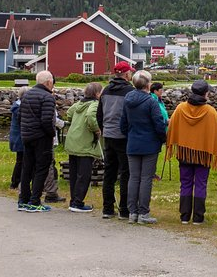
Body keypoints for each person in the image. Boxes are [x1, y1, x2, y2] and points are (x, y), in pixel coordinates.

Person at [166, 80, 217, 224]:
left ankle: (184, 216)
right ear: (205, 93)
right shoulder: (210, 112)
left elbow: (172, 128)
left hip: (184, 153)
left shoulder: (180, 108)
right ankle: (198, 217)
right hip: (203, 154)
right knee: (201, 184)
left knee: (185, 183)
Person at [120, 70, 166, 224]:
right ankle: (143, 213)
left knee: (133, 177)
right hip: (149, 143)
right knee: (146, 178)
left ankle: (132, 212)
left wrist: (130, 135)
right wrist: (162, 139)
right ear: (148, 84)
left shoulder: (128, 99)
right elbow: (158, 123)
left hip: (133, 142)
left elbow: (123, 124)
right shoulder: (151, 101)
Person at [97, 61, 135, 219]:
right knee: (125, 173)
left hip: (108, 135)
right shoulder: (130, 91)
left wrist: (104, 129)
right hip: (123, 136)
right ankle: (124, 210)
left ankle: (107, 208)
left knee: (109, 172)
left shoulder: (105, 90)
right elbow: (131, 116)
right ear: (126, 74)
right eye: (130, 73)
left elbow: (99, 114)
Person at [17, 71, 57, 212]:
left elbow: (19, 116)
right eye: (52, 81)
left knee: (27, 168)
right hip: (41, 138)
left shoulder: (27, 94)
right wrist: (52, 134)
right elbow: (46, 120)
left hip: (27, 136)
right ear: (48, 82)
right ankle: (35, 201)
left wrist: (25, 130)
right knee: (41, 169)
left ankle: (23, 200)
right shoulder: (47, 97)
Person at [64, 82, 103, 212]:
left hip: (72, 140)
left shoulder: (79, 103)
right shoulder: (95, 104)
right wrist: (97, 130)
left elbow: (69, 113)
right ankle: (78, 202)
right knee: (84, 174)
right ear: (97, 94)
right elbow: (91, 116)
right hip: (85, 142)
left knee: (74, 173)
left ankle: (73, 200)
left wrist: (75, 122)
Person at [9, 86, 28, 190]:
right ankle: (15, 182)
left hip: (18, 136)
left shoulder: (17, 106)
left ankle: (17, 181)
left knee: (21, 160)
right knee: (20, 160)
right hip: (19, 137)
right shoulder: (18, 108)